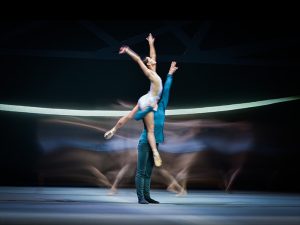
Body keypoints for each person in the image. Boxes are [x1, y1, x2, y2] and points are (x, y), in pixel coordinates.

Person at [104, 60, 178, 204]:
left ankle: (147, 195)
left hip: (156, 142)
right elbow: (128, 117)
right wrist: (114, 129)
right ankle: (140, 197)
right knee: (141, 171)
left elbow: (167, 89)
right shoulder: (145, 108)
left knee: (149, 172)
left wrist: (170, 74)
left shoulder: (161, 105)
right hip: (145, 142)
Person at [105, 33, 163, 167]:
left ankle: (114, 129)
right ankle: (155, 152)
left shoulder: (153, 69)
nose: (153, 59)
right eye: (150, 59)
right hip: (148, 102)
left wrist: (151, 43)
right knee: (150, 131)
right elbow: (138, 60)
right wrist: (128, 50)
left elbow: (153, 56)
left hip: (146, 98)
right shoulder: (150, 73)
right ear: (148, 64)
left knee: (130, 115)